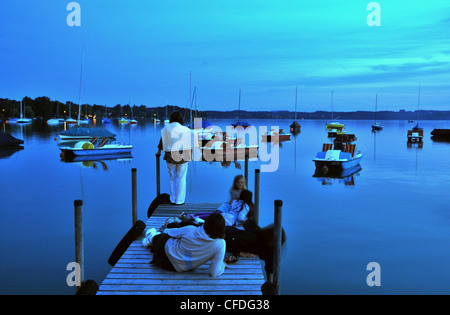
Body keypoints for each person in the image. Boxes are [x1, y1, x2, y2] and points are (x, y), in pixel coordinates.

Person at [142, 212, 227, 277]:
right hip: (173, 267)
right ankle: (152, 241)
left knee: (164, 236)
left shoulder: (191, 230)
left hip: (162, 254)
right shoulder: (220, 244)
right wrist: (222, 265)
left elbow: (168, 232)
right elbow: (213, 273)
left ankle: (150, 238)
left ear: (206, 223)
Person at [157, 111, 192, 205]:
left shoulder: (165, 129)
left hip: (170, 154)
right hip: (183, 154)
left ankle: (172, 199)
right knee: (181, 178)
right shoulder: (185, 129)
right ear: (181, 119)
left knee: (172, 177)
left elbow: (161, 141)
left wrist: (159, 151)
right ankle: (179, 200)